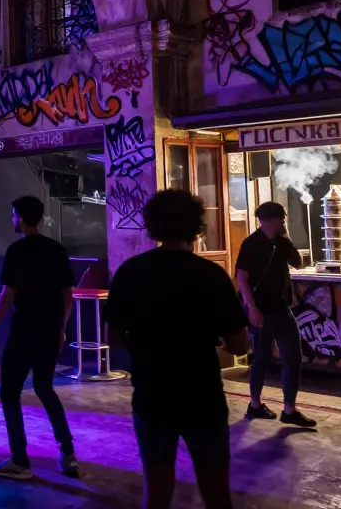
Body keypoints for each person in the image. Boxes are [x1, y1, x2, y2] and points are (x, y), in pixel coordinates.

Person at [105, 190, 250, 509]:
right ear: (197, 227)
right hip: (203, 396)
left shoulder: (131, 272)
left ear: (152, 226)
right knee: (216, 495)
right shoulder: (211, 275)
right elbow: (240, 344)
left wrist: (147, 351)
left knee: (157, 493)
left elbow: (114, 337)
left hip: (151, 395)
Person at [0, 196, 77, 480]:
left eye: (13, 214)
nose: (12, 219)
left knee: (9, 392)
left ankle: (20, 460)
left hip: (23, 331)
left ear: (21, 218)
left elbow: (8, 294)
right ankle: (68, 454)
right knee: (45, 388)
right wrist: (61, 328)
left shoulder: (16, 251)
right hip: (49, 331)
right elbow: (68, 297)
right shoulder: (57, 250)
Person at [235, 201, 317, 428]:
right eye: (281, 218)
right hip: (260, 310)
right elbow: (241, 277)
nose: (283, 222)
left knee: (292, 358)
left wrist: (287, 237)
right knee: (261, 358)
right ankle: (255, 404)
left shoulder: (282, 242)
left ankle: (289, 408)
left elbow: (298, 264)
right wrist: (251, 308)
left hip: (283, 308)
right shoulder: (251, 244)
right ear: (268, 220)